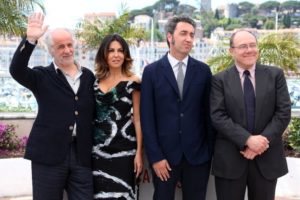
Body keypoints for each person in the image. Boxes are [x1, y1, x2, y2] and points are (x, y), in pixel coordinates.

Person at [9, 13, 95, 199]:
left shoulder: (89, 77)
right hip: (48, 155)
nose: (66, 50)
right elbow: (16, 70)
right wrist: (30, 39)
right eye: (60, 46)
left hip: (82, 155)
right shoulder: (41, 76)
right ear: (51, 51)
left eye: (69, 45)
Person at [210, 29, 291, 200]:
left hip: (266, 158)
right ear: (231, 51)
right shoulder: (219, 80)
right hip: (231, 159)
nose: (249, 50)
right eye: (243, 46)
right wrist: (247, 140)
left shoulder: (275, 75)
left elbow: (283, 113)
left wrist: (260, 143)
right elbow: (218, 116)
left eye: (253, 45)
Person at [140, 16, 214, 200]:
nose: (189, 38)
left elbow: (208, 115)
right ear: (170, 37)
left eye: (192, 34)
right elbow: (147, 118)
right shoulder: (151, 72)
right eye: (183, 33)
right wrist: (155, 157)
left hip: (197, 158)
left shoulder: (203, 71)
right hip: (164, 158)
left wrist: (208, 153)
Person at [92, 34, 143, 200]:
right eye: (111, 50)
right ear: (104, 55)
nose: (116, 55)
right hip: (97, 153)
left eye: (120, 51)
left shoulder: (133, 82)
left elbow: (138, 119)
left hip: (125, 153)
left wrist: (139, 154)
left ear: (126, 54)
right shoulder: (93, 82)